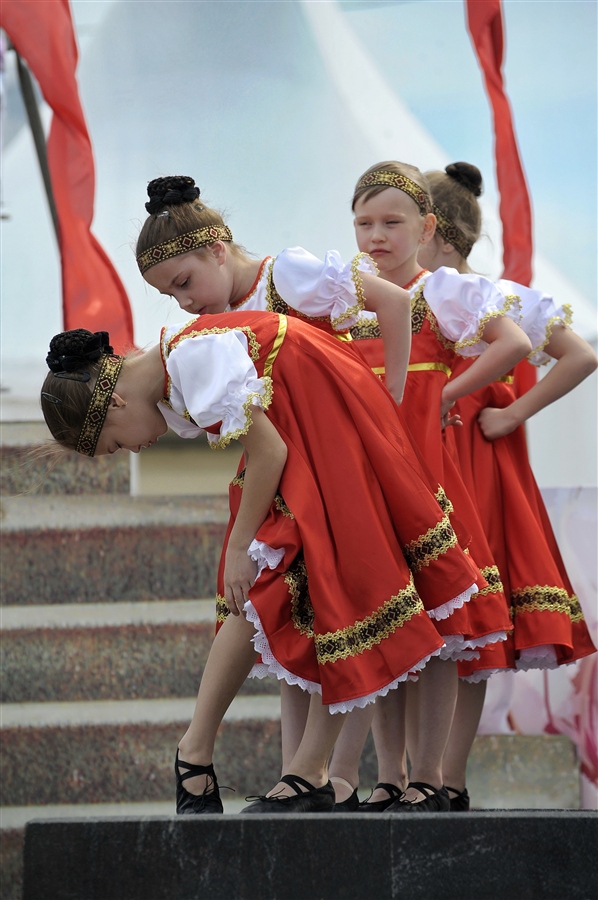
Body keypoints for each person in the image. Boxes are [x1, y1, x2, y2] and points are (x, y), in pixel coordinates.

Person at [41, 281, 483, 813]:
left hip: (325, 434)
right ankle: (224, 756)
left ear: (113, 400)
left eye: (115, 442)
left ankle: (278, 765)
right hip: (318, 431)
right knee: (293, 590)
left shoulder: (190, 359)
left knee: (321, 587)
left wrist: (238, 544)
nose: (134, 447)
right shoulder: (180, 356)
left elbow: (269, 451)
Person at [416, 161, 597, 808]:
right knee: (430, 626)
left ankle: (445, 774)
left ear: (434, 232)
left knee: (471, 624)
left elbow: (582, 353)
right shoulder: (407, 300)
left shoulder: (494, 298)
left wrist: (515, 411)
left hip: (478, 469)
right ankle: (423, 774)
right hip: (429, 468)